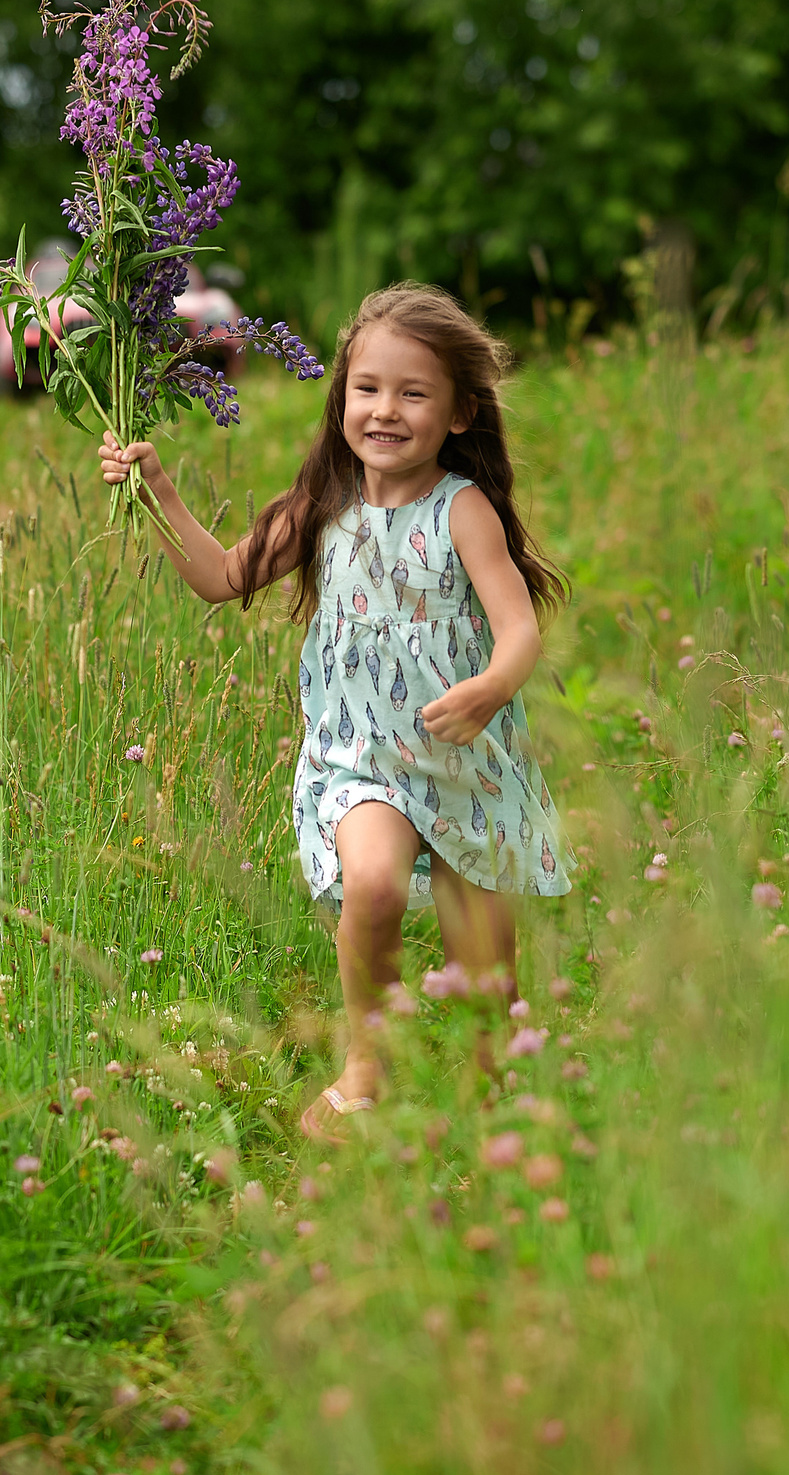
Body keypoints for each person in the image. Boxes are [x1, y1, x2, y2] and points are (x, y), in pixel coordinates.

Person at [97, 282, 574, 1138]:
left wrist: (494, 685)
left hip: (468, 764)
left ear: (461, 413)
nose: (385, 410)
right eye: (367, 388)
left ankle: (488, 1103)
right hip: (364, 758)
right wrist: (159, 492)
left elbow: (517, 627)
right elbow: (222, 578)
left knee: (486, 983)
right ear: (341, 397)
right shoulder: (321, 507)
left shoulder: (461, 511)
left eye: (413, 392)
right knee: (375, 884)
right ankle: (368, 1060)